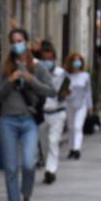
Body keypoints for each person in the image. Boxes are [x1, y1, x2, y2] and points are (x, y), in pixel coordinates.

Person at [0, 27, 54, 201]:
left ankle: (26, 198)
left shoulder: (37, 66)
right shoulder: (4, 67)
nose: (16, 44)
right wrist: (9, 82)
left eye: (20, 40)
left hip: (28, 120)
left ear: (27, 42)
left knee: (29, 163)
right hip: (8, 120)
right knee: (10, 167)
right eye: (13, 41)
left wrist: (31, 80)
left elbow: (51, 90)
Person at [37, 41, 67, 184]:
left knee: (53, 141)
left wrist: (64, 93)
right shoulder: (37, 73)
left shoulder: (61, 73)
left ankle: (51, 170)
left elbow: (66, 90)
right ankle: (44, 161)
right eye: (44, 59)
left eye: (50, 59)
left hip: (57, 111)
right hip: (42, 113)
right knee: (43, 143)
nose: (47, 62)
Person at [62, 52, 94, 160]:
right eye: (75, 60)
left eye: (79, 60)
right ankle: (71, 148)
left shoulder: (85, 75)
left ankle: (77, 149)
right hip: (69, 103)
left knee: (77, 126)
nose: (77, 62)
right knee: (71, 127)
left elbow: (88, 91)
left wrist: (90, 106)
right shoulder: (66, 75)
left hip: (82, 104)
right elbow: (63, 90)